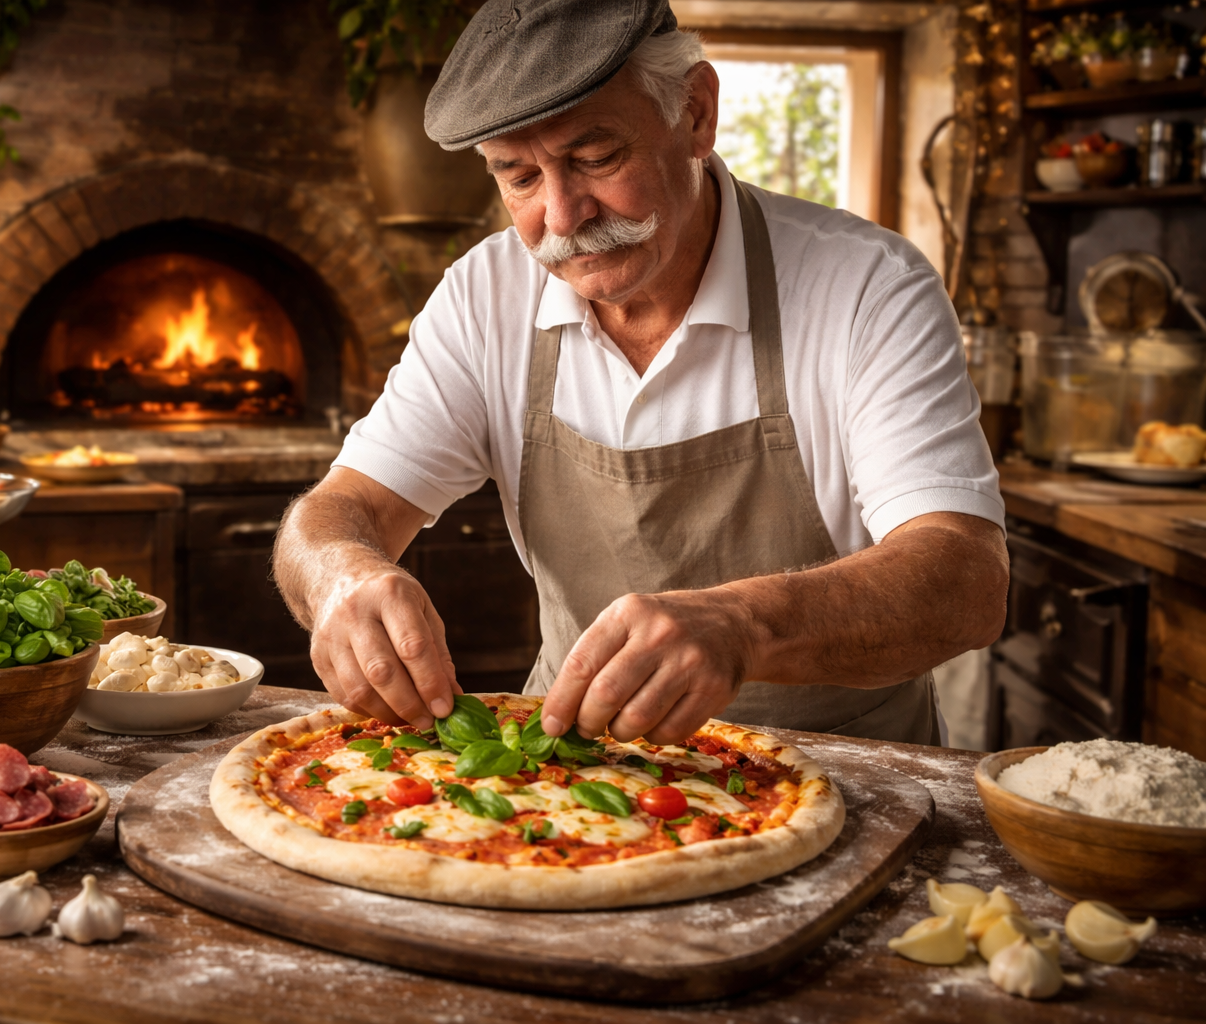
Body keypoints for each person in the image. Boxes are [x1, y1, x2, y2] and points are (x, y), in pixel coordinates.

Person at [273, 0, 1008, 747]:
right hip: (573, 775)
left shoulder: (865, 286)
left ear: (695, 113)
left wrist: (743, 625)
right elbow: (333, 513)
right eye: (519, 176)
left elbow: (964, 581)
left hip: (853, 775)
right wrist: (340, 575)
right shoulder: (483, 297)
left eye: (596, 158)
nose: (562, 216)